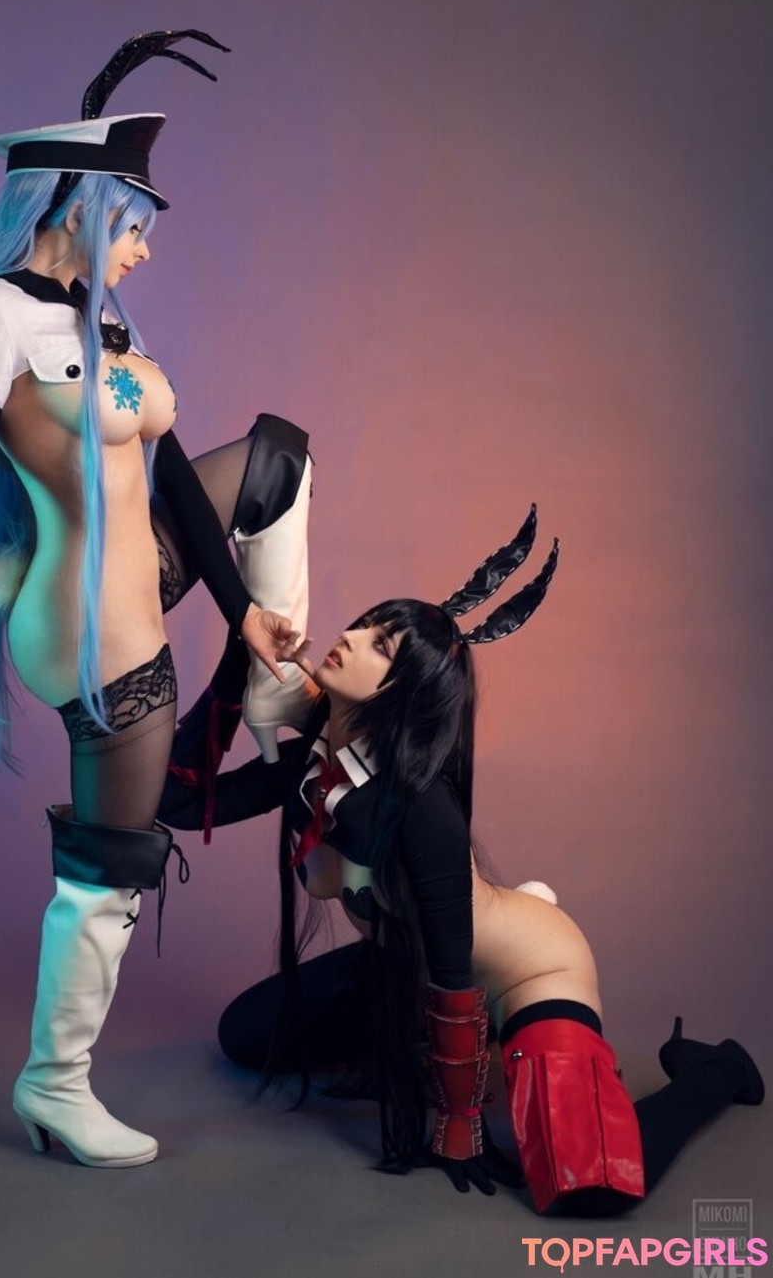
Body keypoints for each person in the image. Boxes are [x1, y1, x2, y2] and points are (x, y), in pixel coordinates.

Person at [0, 32, 314, 1169]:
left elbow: (173, 476)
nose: (144, 249)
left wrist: (246, 617)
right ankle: (54, 1084)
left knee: (278, 458)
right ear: (80, 204)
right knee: (113, 857)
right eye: (134, 223)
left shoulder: (104, 321)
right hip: (86, 623)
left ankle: (270, 700)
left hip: (140, 576)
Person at [158, 507, 764, 1213]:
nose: (350, 637)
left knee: (591, 1187)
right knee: (245, 1037)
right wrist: (236, 664)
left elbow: (453, 965)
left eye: (381, 644)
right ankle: (444, 1048)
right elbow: (178, 800)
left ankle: (714, 1070)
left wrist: (460, 1118)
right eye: (364, 624)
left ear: (406, 689)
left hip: (520, 971)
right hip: (404, 963)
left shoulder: (421, 804)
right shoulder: (311, 764)